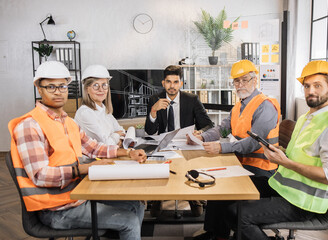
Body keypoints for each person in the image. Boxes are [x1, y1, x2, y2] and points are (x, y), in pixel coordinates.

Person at [8, 61, 147, 240]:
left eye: (62, 86)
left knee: (137, 205)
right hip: (56, 209)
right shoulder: (30, 126)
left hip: (77, 196)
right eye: (51, 87)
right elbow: (40, 175)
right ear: (39, 88)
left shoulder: (68, 122)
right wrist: (83, 169)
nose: (58, 92)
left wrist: (128, 153)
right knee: (128, 220)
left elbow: (94, 147)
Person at [224, 60, 328, 240]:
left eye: (318, 85)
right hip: (283, 188)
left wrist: (286, 162)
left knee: (239, 215)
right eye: (307, 86)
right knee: (232, 190)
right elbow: (301, 157)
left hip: (303, 202)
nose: (311, 91)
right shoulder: (306, 118)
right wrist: (281, 152)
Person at [190, 59, 281, 240]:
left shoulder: (266, 106)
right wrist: (202, 137)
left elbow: (253, 143)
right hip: (242, 164)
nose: (240, 85)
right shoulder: (239, 105)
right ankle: (215, 233)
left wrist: (221, 147)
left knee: (222, 187)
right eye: (236, 81)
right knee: (216, 181)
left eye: (244, 80)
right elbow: (223, 128)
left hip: (262, 171)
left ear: (255, 81)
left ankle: (219, 235)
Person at [145, 65, 214, 217]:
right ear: (163, 83)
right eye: (168, 82)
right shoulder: (154, 99)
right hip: (164, 144)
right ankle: (158, 197)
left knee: (188, 164)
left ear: (180, 83)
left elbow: (209, 125)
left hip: (186, 143)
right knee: (158, 164)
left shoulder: (192, 99)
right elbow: (150, 131)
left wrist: (200, 132)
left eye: (175, 82)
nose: (172, 86)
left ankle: (193, 197)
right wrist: (153, 111)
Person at [75, 65, 125, 147]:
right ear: (87, 89)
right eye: (96, 85)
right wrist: (116, 137)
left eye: (104, 85)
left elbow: (121, 130)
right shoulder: (85, 113)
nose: (101, 89)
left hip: (108, 157)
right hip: (92, 159)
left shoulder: (104, 110)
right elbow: (105, 145)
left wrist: (115, 138)